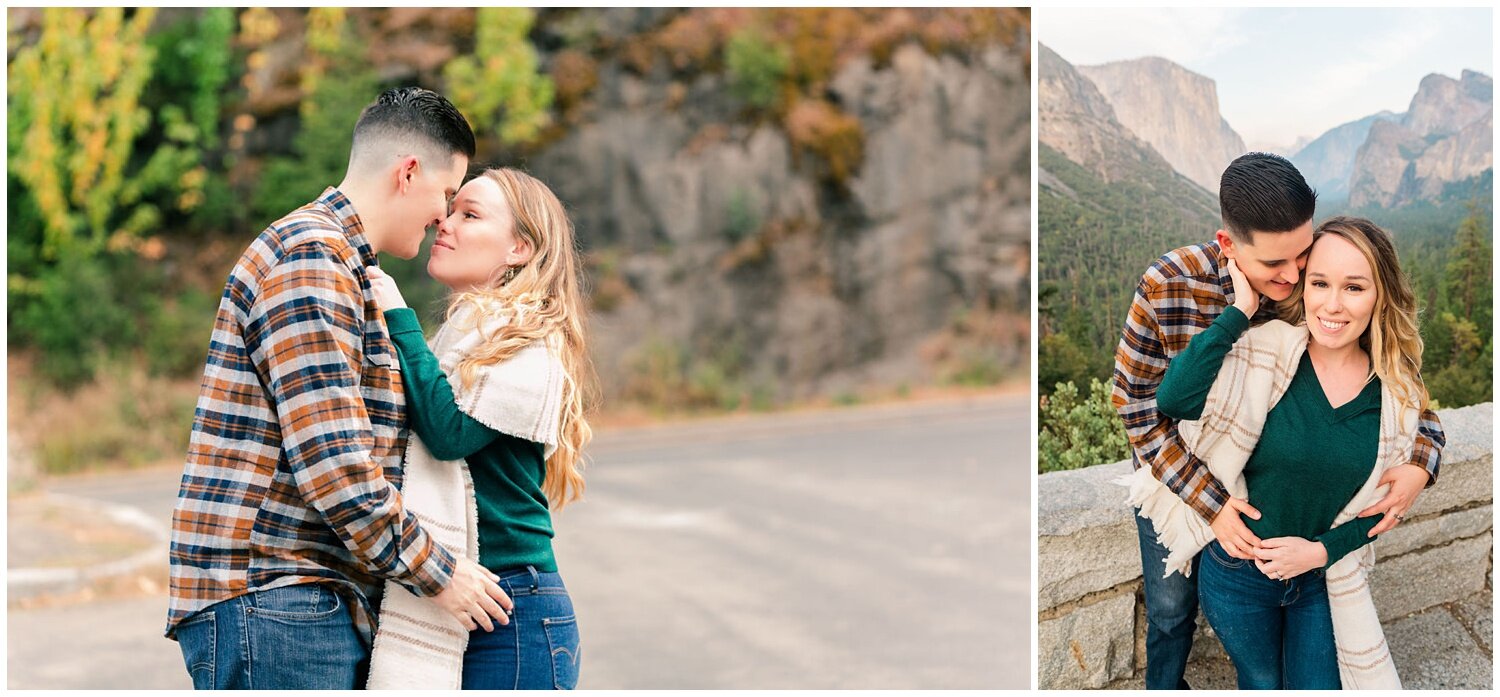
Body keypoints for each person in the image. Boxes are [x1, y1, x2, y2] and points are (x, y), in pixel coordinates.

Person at [166, 87, 514, 690]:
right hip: (277, 601)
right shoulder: (312, 261)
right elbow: (334, 465)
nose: (443, 217)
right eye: (447, 195)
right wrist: (443, 574)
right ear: (408, 173)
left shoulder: (340, 266)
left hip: (294, 603)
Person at [1110, 153, 1445, 689]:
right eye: (1275, 266)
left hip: (1283, 529)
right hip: (1175, 471)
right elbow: (1140, 410)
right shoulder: (1169, 285)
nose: (1294, 278)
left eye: (1303, 258)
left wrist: (1420, 464)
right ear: (1228, 246)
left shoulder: (1311, 290)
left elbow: (1391, 391)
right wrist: (1213, 505)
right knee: (1172, 608)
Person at [362, 167, 594, 690]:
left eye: (470, 214)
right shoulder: (459, 338)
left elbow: (449, 435)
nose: (445, 221)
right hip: (467, 596)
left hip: (511, 610)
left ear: (519, 248)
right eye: (450, 209)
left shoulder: (532, 342)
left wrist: (397, 315)